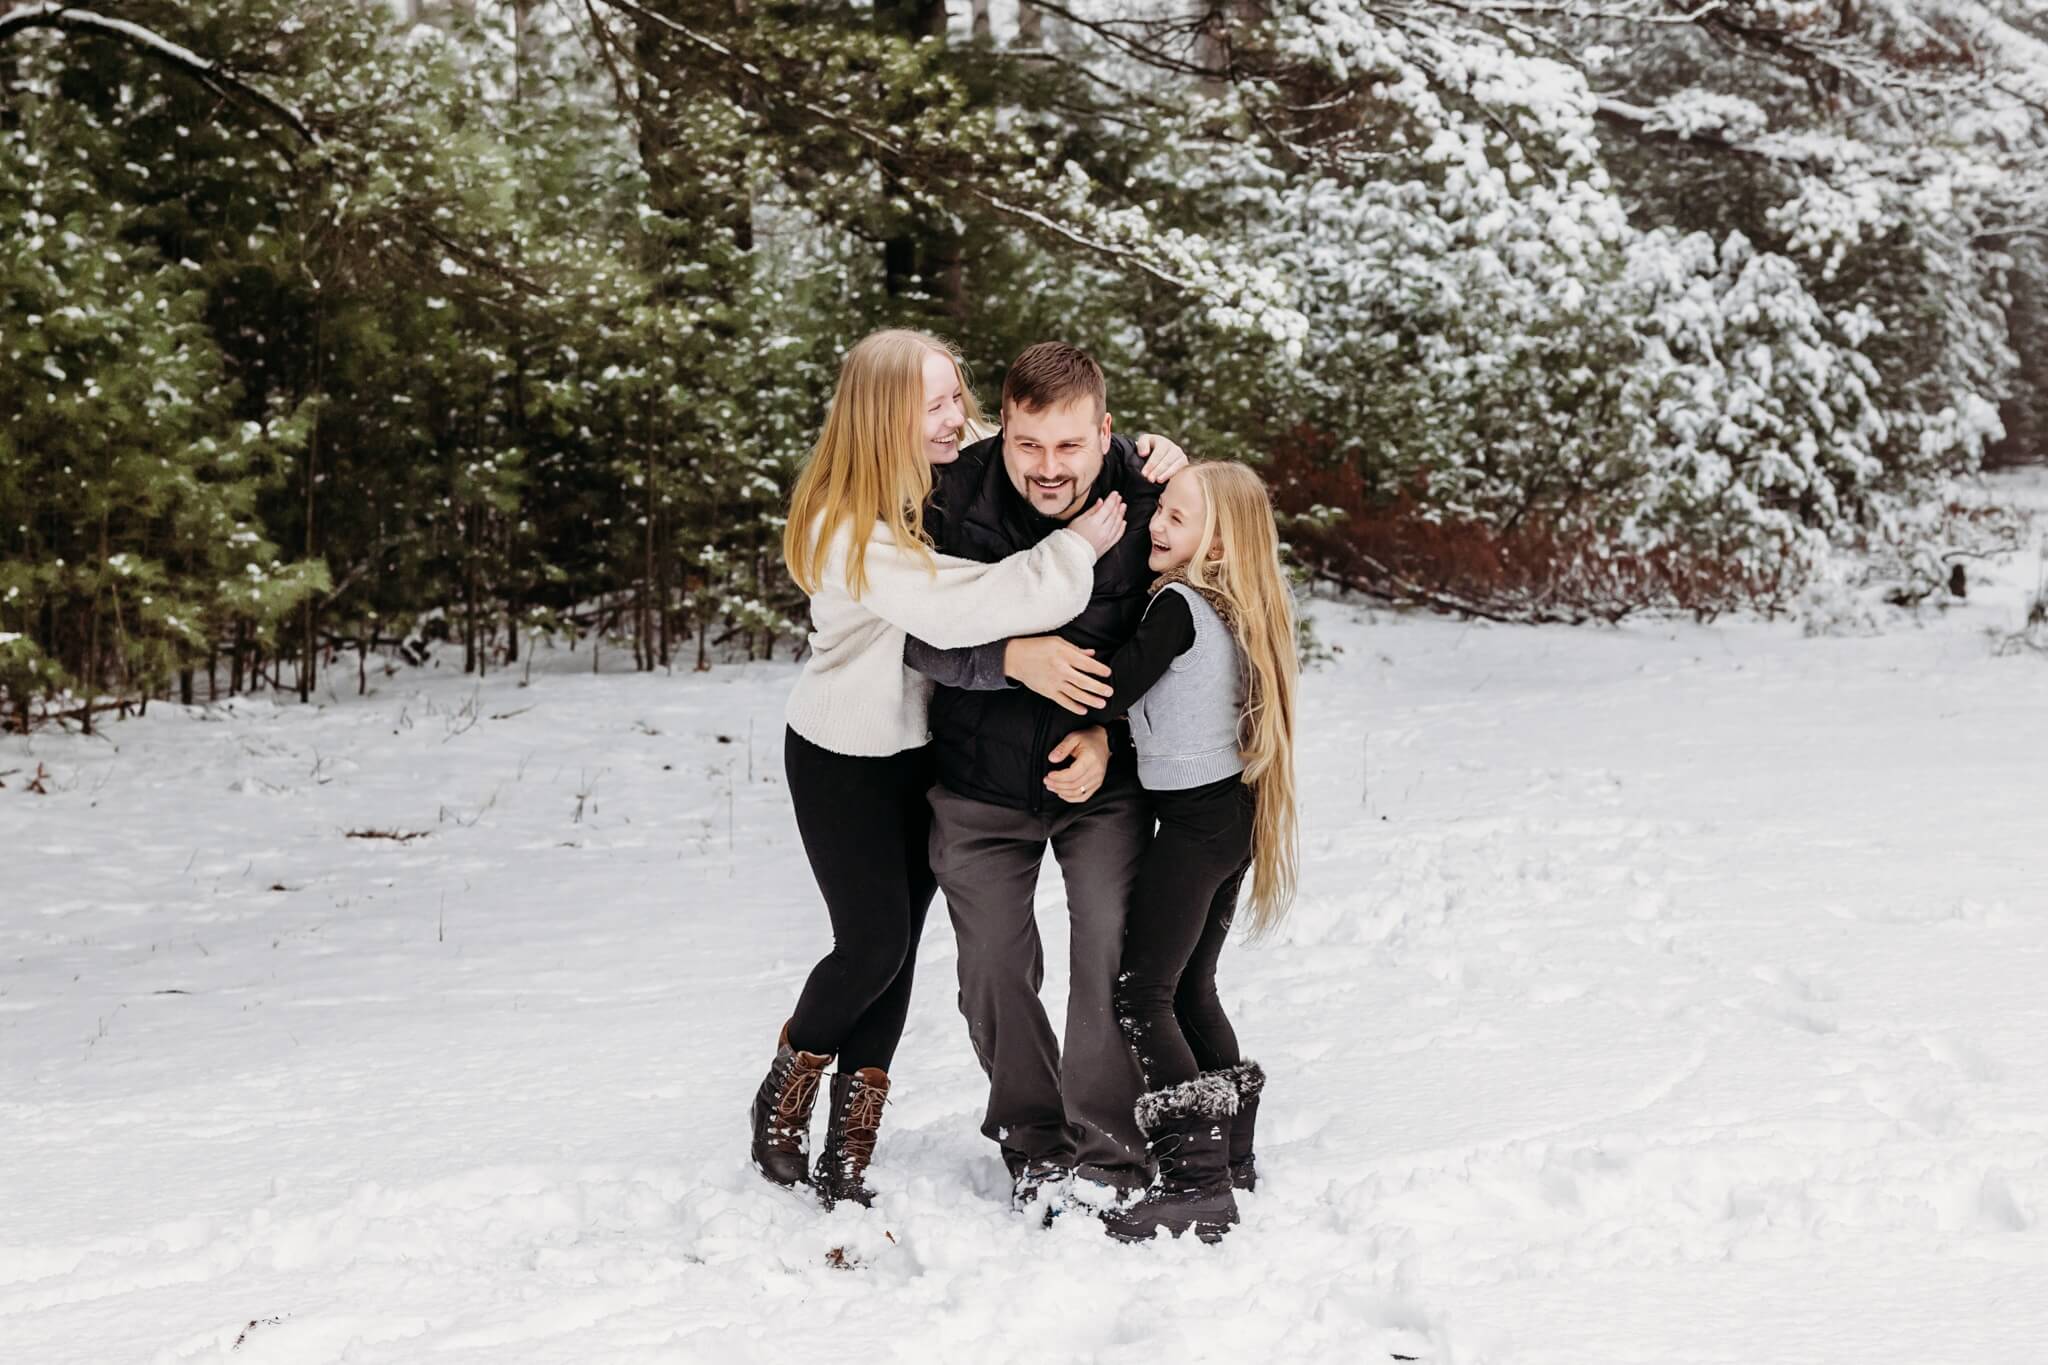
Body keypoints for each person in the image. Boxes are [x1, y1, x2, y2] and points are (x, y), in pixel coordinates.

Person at [749, 329, 1186, 1208]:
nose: (958, 417)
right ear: (887, 419)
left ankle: (861, 1139)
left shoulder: (974, 477)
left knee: (916, 951)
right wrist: (1027, 635)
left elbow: (1050, 429)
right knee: (891, 945)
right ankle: (802, 1091)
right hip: (859, 756)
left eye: (957, 398)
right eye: (937, 404)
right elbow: (942, 621)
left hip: (953, 757)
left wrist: (1153, 454)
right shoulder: (878, 517)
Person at [980, 461, 1300, 1242]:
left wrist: (1019, 658)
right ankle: (1229, 1158)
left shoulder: (1179, 609)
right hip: (1227, 821)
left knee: (1140, 993)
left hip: (1195, 831)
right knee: (1189, 989)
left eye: (1178, 519)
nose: (1158, 525)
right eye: (1162, 508)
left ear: (1216, 545)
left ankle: (1195, 1182)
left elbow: (1108, 687)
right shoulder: (1224, 605)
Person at [905, 341, 1175, 1212]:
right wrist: (1009, 656)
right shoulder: (950, 497)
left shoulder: (1150, 497)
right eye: (1028, 445)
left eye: (1069, 447)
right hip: (978, 780)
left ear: (1106, 431)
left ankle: (1110, 1149)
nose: (1048, 468)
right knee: (991, 964)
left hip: (1105, 782)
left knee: (1107, 945)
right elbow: (909, 635)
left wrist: (1107, 737)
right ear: (1004, 428)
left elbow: (1187, 637)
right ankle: (1033, 1138)